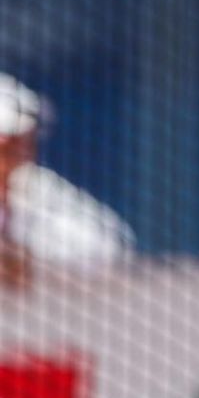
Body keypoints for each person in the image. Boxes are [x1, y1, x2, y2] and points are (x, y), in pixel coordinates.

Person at [0, 73, 134, 289]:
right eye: (7, 143)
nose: (17, 152)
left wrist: (23, 254)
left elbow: (114, 245)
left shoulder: (37, 187)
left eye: (23, 140)